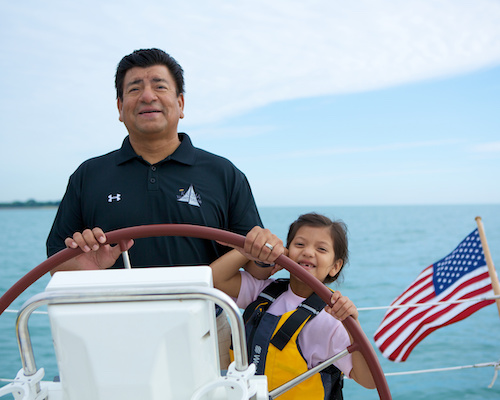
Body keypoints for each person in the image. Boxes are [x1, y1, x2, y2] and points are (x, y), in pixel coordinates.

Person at [45, 48, 284, 368]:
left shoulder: (223, 174)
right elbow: (57, 265)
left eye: (159, 85)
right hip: (110, 331)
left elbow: (257, 268)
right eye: (134, 89)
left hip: (207, 331)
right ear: (119, 108)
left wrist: (264, 250)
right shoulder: (89, 175)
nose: (147, 96)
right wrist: (88, 267)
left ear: (180, 104)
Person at [210, 213, 376, 399]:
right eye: (299, 245)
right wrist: (247, 251)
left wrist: (353, 326)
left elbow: (369, 381)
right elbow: (214, 280)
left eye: (321, 249)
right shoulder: (262, 292)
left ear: (335, 267)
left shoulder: (331, 319)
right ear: (286, 251)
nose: (308, 252)